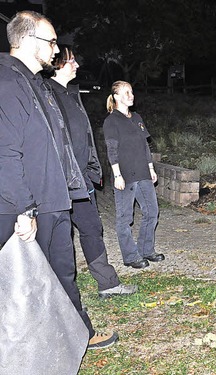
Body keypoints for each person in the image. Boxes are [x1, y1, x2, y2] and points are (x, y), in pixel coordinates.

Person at [0, 10, 117, 349]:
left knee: (63, 271)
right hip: (28, 207)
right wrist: (24, 209)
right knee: (23, 283)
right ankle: (27, 350)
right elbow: (5, 152)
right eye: (51, 41)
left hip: (54, 200)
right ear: (26, 40)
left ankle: (77, 334)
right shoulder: (7, 83)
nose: (56, 49)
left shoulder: (39, 84)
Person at [47, 46, 137, 298]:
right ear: (57, 64)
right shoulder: (45, 94)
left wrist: (91, 166)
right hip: (57, 180)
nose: (76, 65)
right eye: (71, 61)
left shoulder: (72, 94)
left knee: (92, 228)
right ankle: (54, 293)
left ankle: (108, 284)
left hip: (80, 177)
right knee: (58, 237)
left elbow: (84, 136)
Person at [103, 81, 165, 269]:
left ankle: (147, 250)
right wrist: (117, 175)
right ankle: (130, 256)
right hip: (125, 176)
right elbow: (112, 150)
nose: (131, 95)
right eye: (126, 92)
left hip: (143, 173)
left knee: (152, 212)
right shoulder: (111, 121)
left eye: (131, 91)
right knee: (125, 218)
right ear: (116, 97)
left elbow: (145, 146)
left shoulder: (136, 117)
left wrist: (151, 168)